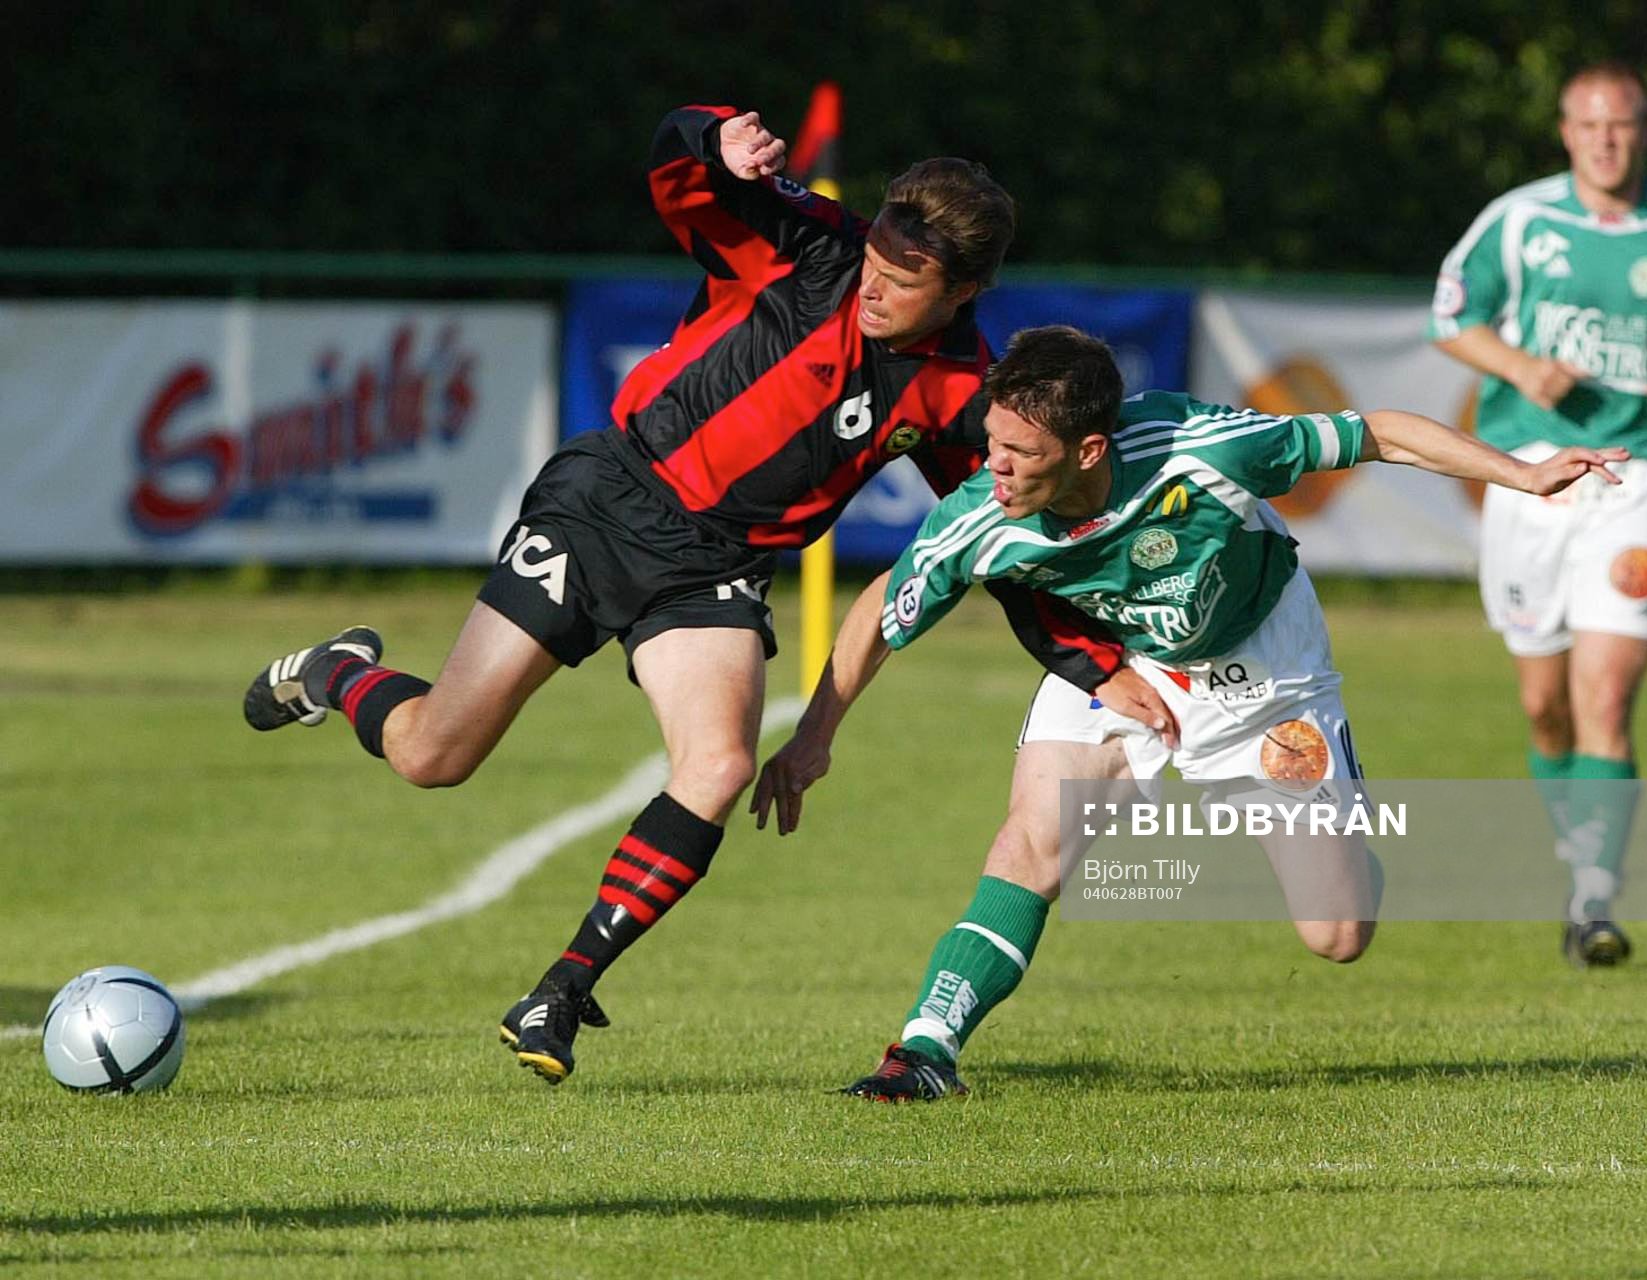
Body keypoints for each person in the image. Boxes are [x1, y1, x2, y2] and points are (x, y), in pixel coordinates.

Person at [241, 107, 1168, 1085]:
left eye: (904, 285)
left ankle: (560, 988)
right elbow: (678, 174)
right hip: (608, 501)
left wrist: (1092, 660)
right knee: (434, 754)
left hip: (714, 565)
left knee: (720, 763)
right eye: (877, 266)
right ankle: (340, 671)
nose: (874, 291)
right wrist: (712, 137)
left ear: (966, 290)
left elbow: (995, 540)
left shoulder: (957, 392)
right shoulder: (812, 244)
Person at [752, 325, 1627, 1101]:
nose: (996, 466)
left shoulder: (1201, 448)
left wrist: (1522, 475)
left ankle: (1346, 838)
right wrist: (814, 738)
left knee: (1338, 932)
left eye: (1021, 450)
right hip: (1126, 663)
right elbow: (882, 606)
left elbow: (1380, 434)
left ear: (1091, 448)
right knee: (1030, 838)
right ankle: (926, 1050)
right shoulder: (983, 515)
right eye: (992, 441)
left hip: (1267, 669)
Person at [1429, 61, 1647, 965]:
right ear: (1567, 133)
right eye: (1590, 125)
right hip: (1532, 474)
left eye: (1625, 125)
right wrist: (1519, 366)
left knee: (1604, 694)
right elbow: (1452, 314)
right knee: (1545, 706)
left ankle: (1593, 901)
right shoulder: (1523, 219)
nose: (1607, 139)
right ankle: (1577, 852)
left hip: (1639, 475)